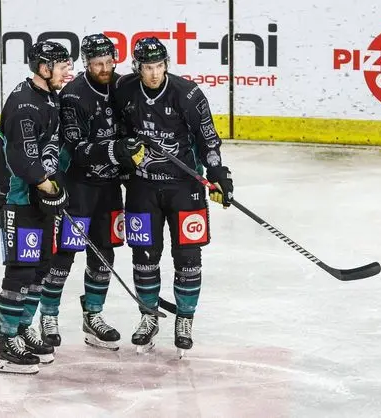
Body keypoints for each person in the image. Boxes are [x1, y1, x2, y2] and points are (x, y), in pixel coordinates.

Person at [112, 37, 233, 355]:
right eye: (148, 68)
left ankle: (185, 319)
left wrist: (218, 174)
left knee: (188, 258)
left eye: (159, 66)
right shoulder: (124, 90)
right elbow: (118, 131)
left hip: (185, 187)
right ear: (138, 68)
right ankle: (148, 317)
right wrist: (125, 158)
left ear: (167, 65)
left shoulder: (187, 94)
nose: (154, 74)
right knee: (144, 256)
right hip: (143, 187)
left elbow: (208, 139)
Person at [37, 34, 143, 351]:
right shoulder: (73, 96)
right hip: (79, 186)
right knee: (65, 252)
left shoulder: (123, 87)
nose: (105, 68)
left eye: (109, 61)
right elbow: (79, 150)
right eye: (98, 63)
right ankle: (49, 315)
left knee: (105, 251)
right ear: (86, 63)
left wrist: (130, 162)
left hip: (110, 188)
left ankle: (93, 316)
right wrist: (118, 149)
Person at [0, 41, 72, 374]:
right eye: (62, 65)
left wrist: (52, 187)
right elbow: (23, 160)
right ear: (43, 68)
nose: (68, 71)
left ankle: (22, 328)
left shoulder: (48, 98)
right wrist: (50, 187)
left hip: (37, 198)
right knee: (21, 270)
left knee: (40, 267)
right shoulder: (25, 104)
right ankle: (5, 341)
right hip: (17, 199)